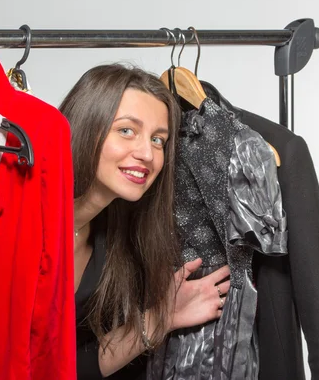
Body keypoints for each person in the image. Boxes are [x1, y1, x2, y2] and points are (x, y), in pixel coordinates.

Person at [59, 64, 231, 379]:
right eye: (127, 130)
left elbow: (69, 366)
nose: (147, 154)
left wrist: (160, 318)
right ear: (85, 127)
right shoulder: (17, 227)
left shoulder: (116, 235)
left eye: (158, 140)